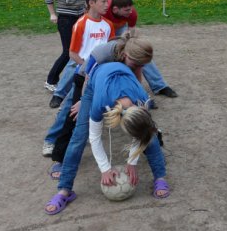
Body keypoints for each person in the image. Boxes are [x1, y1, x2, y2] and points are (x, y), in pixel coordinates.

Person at [45, 55, 169, 215]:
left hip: (120, 82)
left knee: (149, 136)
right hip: (94, 85)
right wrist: (105, 168)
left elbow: (142, 133)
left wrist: (132, 162)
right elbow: (94, 138)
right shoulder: (99, 104)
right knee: (79, 137)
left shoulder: (143, 101)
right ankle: (64, 191)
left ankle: (160, 178)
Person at [44, 0, 115, 163]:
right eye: (103, 2)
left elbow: (111, 51)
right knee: (71, 109)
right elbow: (73, 54)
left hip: (100, 76)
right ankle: (51, 141)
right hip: (83, 74)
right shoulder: (82, 24)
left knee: (96, 106)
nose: (107, 5)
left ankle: (90, 136)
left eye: (108, 1)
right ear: (91, 3)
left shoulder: (108, 25)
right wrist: (88, 68)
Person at [104, 0, 178, 98]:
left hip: (120, 29)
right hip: (103, 29)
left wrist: (130, 47)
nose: (130, 12)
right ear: (115, 9)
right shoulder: (104, 10)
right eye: (126, 10)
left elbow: (131, 35)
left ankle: (160, 86)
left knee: (139, 52)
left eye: (131, 9)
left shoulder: (131, 13)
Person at [43, 0, 87, 91]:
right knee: (69, 52)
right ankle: (51, 80)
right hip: (66, 18)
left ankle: (76, 78)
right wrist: (52, 14)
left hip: (80, 16)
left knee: (80, 49)